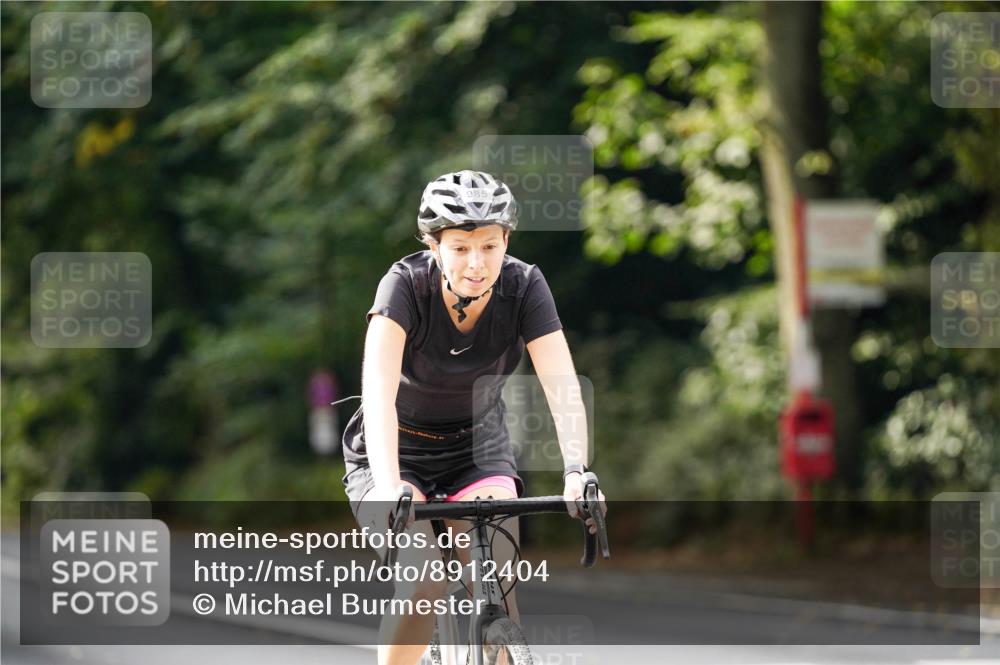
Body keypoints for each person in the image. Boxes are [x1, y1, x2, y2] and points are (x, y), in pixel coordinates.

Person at [341, 170, 605, 665]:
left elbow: (562, 385)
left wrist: (576, 470)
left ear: (507, 240)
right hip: (394, 450)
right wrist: (388, 483)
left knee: (500, 582)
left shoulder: (525, 286)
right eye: (460, 247)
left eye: (489, 245)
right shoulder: (403, 287)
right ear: (434, 245)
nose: (477, 263)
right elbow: (375, 395)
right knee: (424, 582)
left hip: (476, 449)